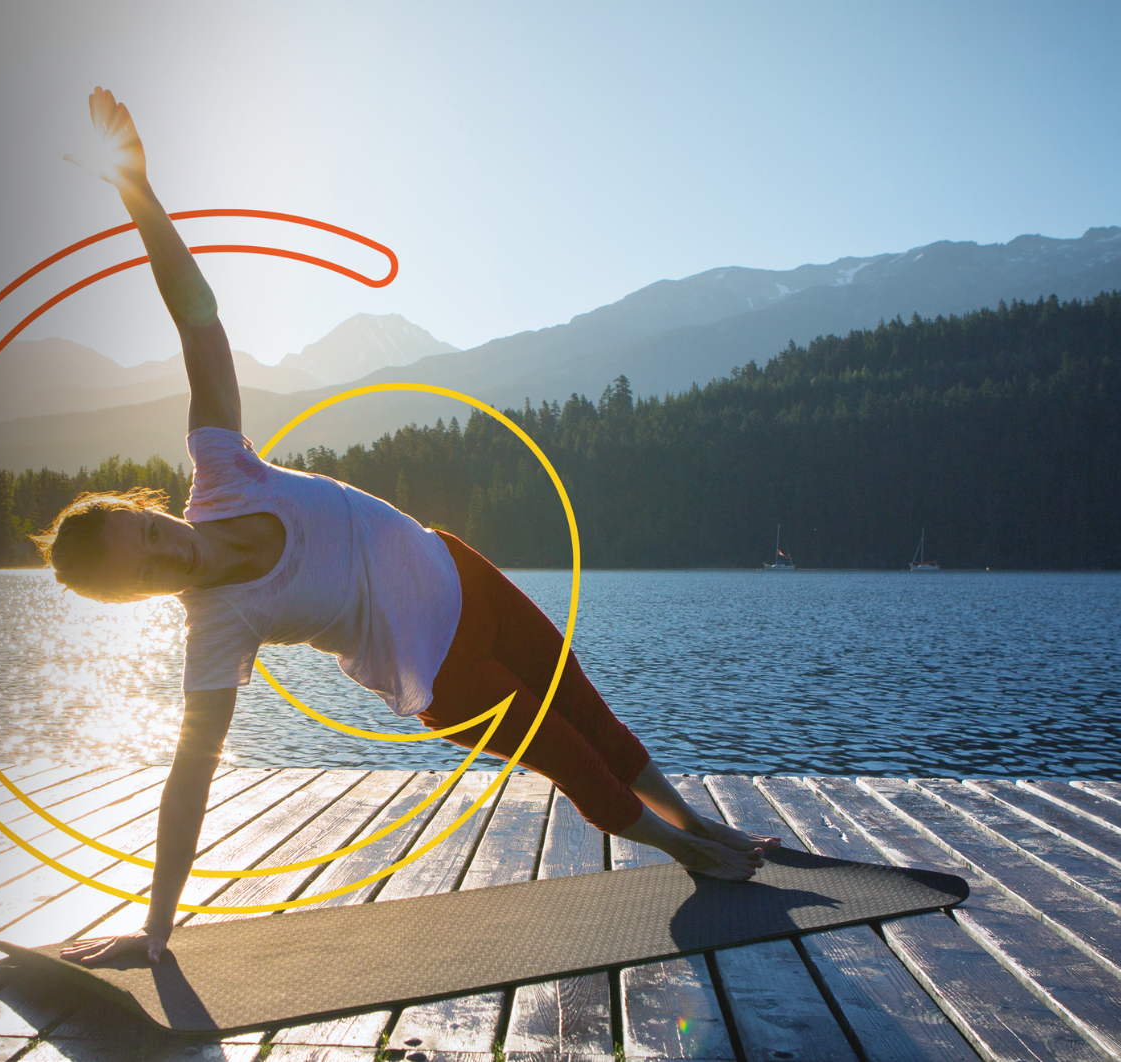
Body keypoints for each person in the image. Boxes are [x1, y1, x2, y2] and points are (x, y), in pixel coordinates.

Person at [41, 89, 774, 967]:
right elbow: (189, 779)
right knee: (570, 759)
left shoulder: (223, 471)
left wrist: (138, 192)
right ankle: (688, 853)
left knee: (589, 714)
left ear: (146, 508)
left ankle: (699, 826)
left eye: (149, 531)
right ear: (138, 596)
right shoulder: (219, 625)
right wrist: (156, 929)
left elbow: (198, 317)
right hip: (441, 670)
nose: (169, 552)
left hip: (463, 574)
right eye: (146, 571)